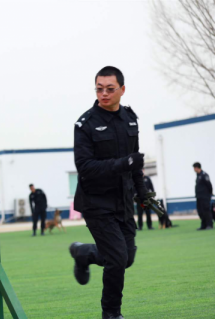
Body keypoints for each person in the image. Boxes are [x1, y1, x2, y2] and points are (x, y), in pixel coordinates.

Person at [69, 66, 146, 319]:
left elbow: (135, 161)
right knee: (116, 259)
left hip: (123, 201)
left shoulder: (131, 119)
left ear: (122, 90)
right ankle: (111, 313)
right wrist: (123, 165)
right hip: (96, 202)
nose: (104, 94)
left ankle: (84, 253)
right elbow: (84, 167)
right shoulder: (85, 124)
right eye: (99, 89)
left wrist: (142, 192)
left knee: (127, 258)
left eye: (110, 89)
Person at [193, 162, 213, 230]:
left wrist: (209, 194)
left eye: (194, 168)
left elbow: (209, 185)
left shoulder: (204, 175)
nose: (193, 169)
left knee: (206, 211)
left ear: (197, 168)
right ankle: (203, 225)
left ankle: (209, 225)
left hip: (205, 197)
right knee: (200, 211)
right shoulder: (198, 175)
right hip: (199, 197)